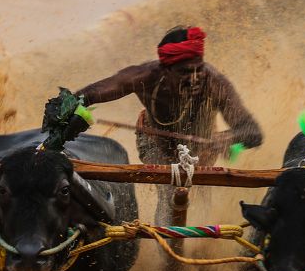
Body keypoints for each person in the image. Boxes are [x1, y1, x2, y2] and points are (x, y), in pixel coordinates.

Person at [74, 26, 263, 222]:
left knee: (201, 193)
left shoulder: (214, 81)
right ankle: (168, 244)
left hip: (202, 150)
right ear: (165, 70)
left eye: (199, 69)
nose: (196, 78)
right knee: (168, 192)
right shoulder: (145, 76)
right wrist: (68, 105)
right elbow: (89, 95)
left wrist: (225, 138)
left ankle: (200, 239)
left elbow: (253, 132)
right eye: (185, 72)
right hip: (154, 141)